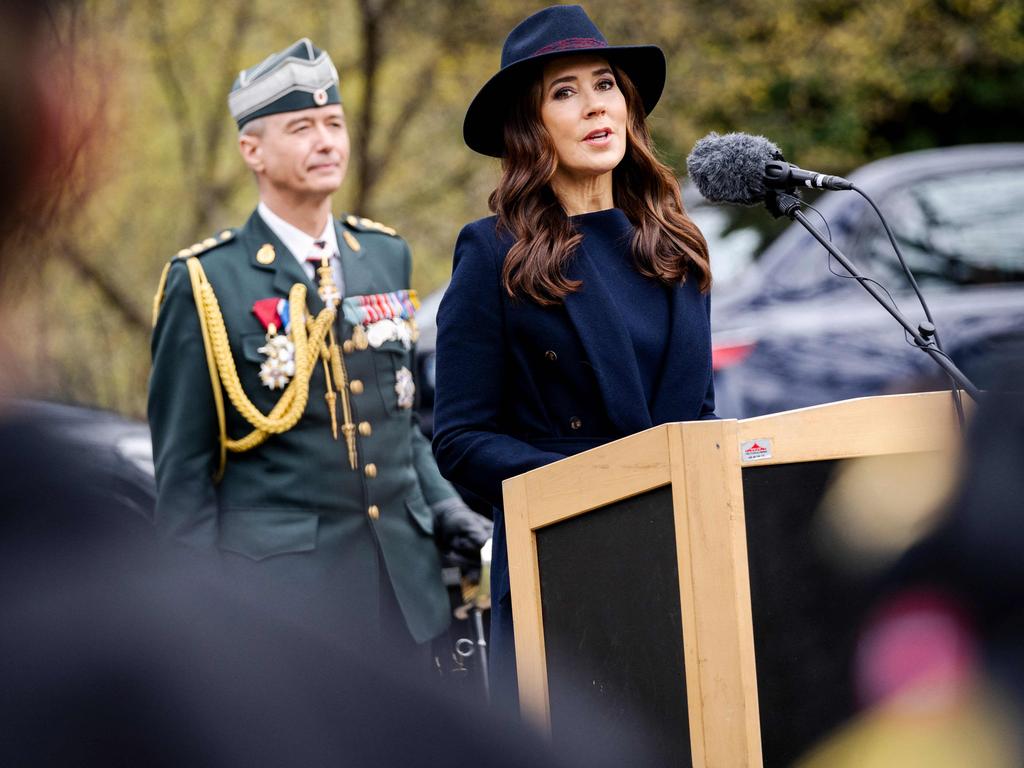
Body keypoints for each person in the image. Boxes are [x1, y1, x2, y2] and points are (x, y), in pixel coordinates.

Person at [148, 38, 490, 660]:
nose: (327, 141)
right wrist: (193, 621)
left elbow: (400, 420)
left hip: (405, 591)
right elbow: (184, 475)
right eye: (302, 128)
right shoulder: (206, 281)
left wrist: (444, 506)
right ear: (252, 149)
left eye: (334, 123)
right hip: (282, 605)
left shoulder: (384, 255)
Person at [431, 4, 716, 709]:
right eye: (565, 92)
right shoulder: (493, 253)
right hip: (562, 565)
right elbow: (461, 440)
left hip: (681, 566)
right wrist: (600, 484)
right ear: (531, 127)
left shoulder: (676, 245)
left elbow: (699, 416)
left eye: (605, 84)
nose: (595, 107)